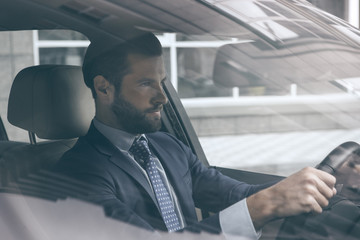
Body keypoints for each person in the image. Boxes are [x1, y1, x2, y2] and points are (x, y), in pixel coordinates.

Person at [55, 33, 336, 239]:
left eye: (162, 83)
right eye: (146, 84)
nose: (162, 97)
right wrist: (265, 204)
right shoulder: (77, 172)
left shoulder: (168, 146)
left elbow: (232, 194)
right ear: (104, 89)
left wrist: (300, 189)